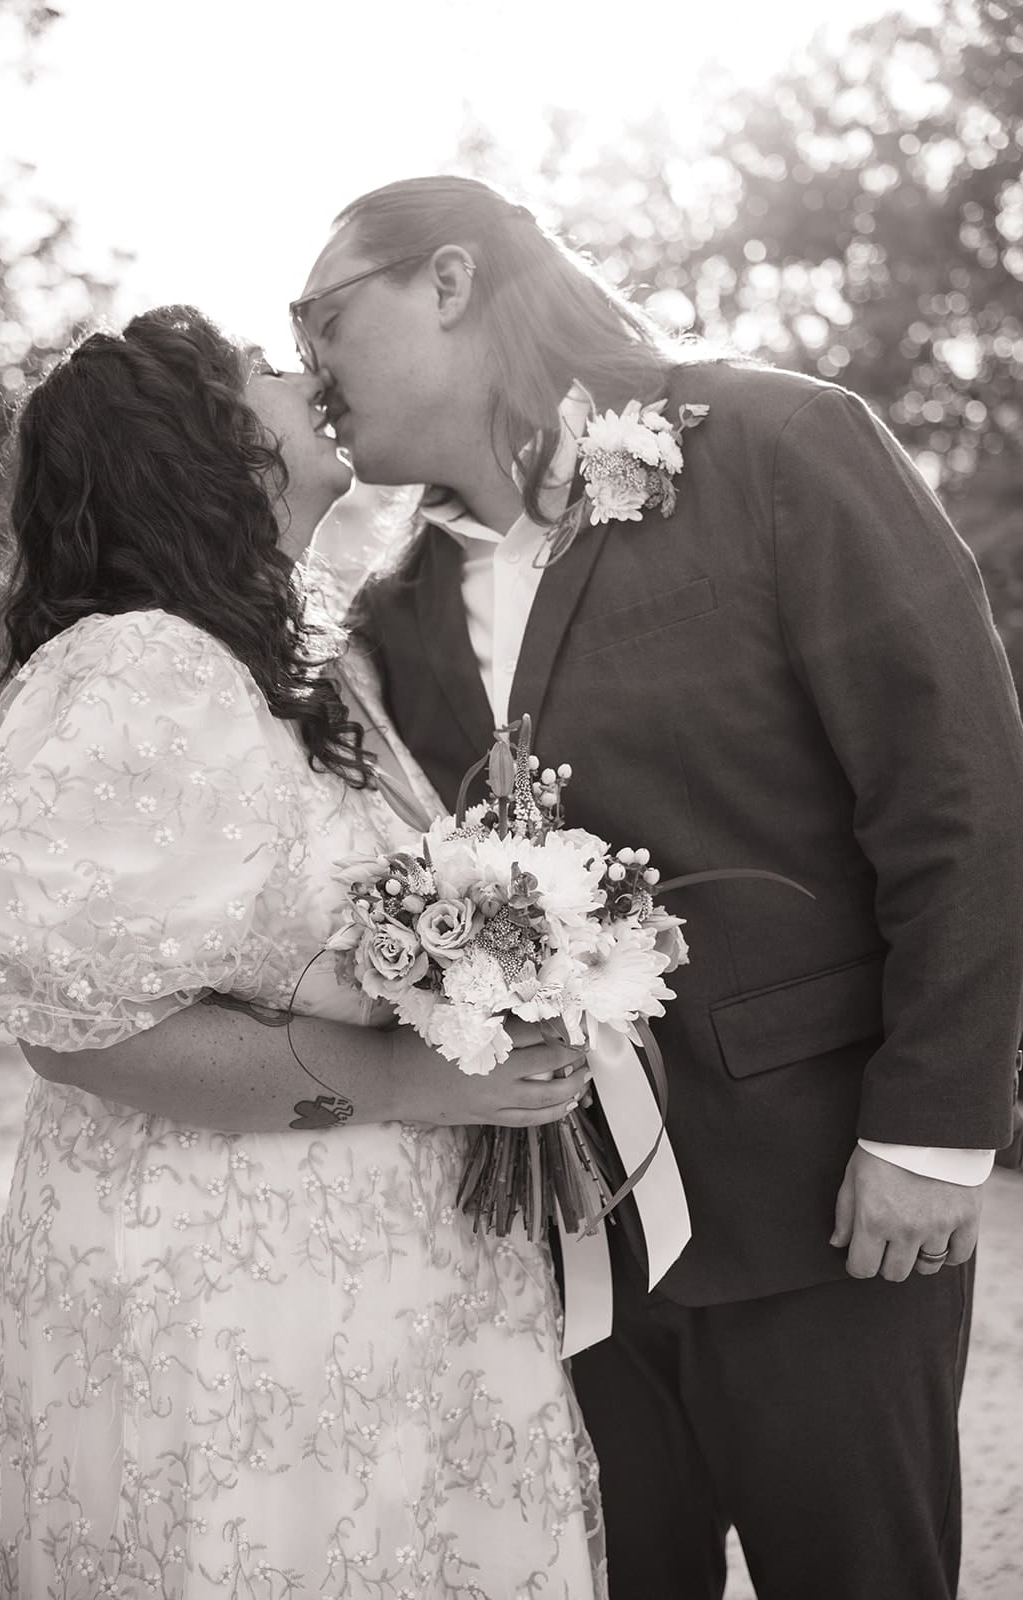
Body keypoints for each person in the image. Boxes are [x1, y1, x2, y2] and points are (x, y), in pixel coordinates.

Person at [288, 175, 1023, 1600]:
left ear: (449, 280)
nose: (307, 363)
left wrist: (934, 1131)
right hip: (555, 1249)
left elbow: (958, 792)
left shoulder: (778, 445)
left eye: (318, 316)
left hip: (827, 1213)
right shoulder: (394, 611)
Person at [0, 305, 605, 1600]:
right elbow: (77, 1031)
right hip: (233, 1281)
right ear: (190, 439)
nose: (295, 369)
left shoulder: (303, 667)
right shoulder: (136, 668)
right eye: (252, 361)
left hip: (384, 1256)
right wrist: (414, 1079)